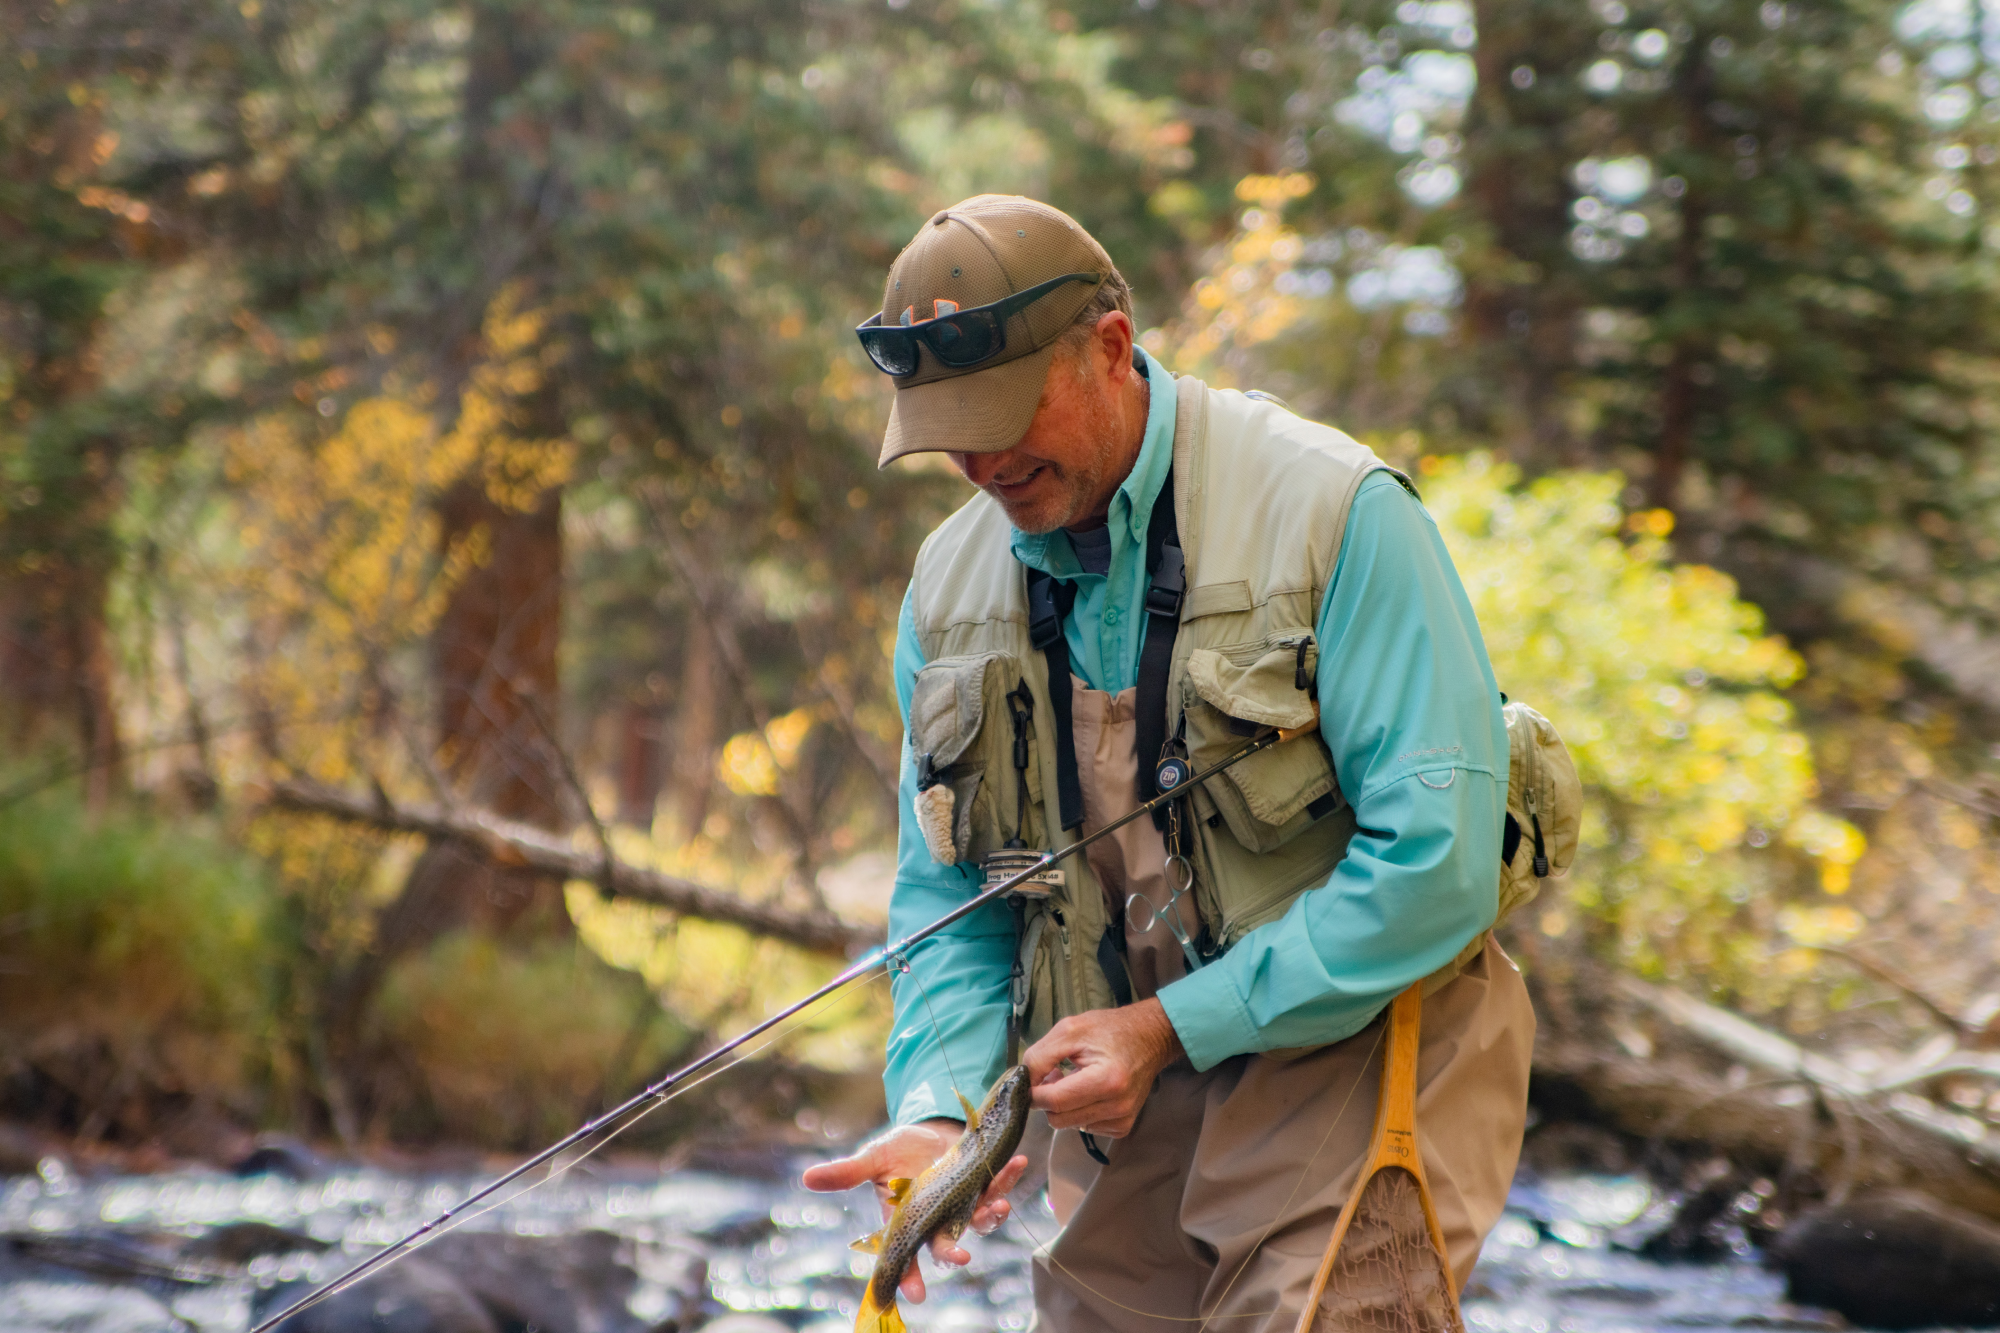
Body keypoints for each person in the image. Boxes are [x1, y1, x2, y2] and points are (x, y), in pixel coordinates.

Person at [803, 194, 1534, 1332]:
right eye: (948, 425)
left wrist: (1166, 1028)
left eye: (1001, 410)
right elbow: (952, 893)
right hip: (1130, 1077)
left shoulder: (1335, 510)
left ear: (1108, 348)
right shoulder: (945, 588)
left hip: (1367, 1039)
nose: (980, 457)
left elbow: (1438, 864)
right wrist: (944, 1110)